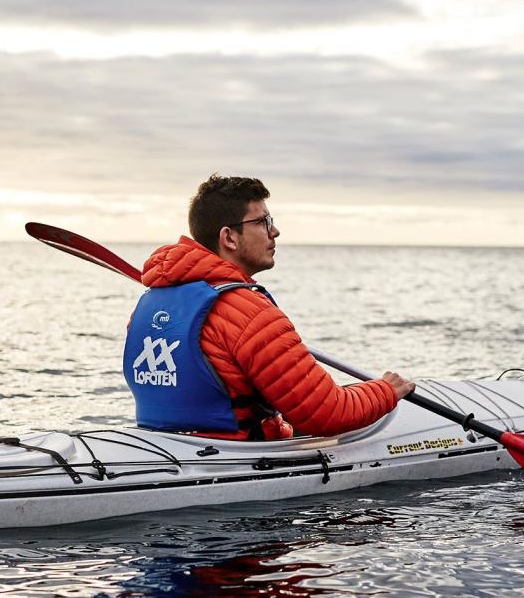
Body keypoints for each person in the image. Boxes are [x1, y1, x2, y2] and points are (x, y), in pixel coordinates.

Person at [122, 174, 415, 440]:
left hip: (164, 445)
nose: (275, 232)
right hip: (237, 460)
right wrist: (387, 390)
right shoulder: (249, 312)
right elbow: (327, 414)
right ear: (229, 238)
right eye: (263, 222)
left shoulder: (149, 302)